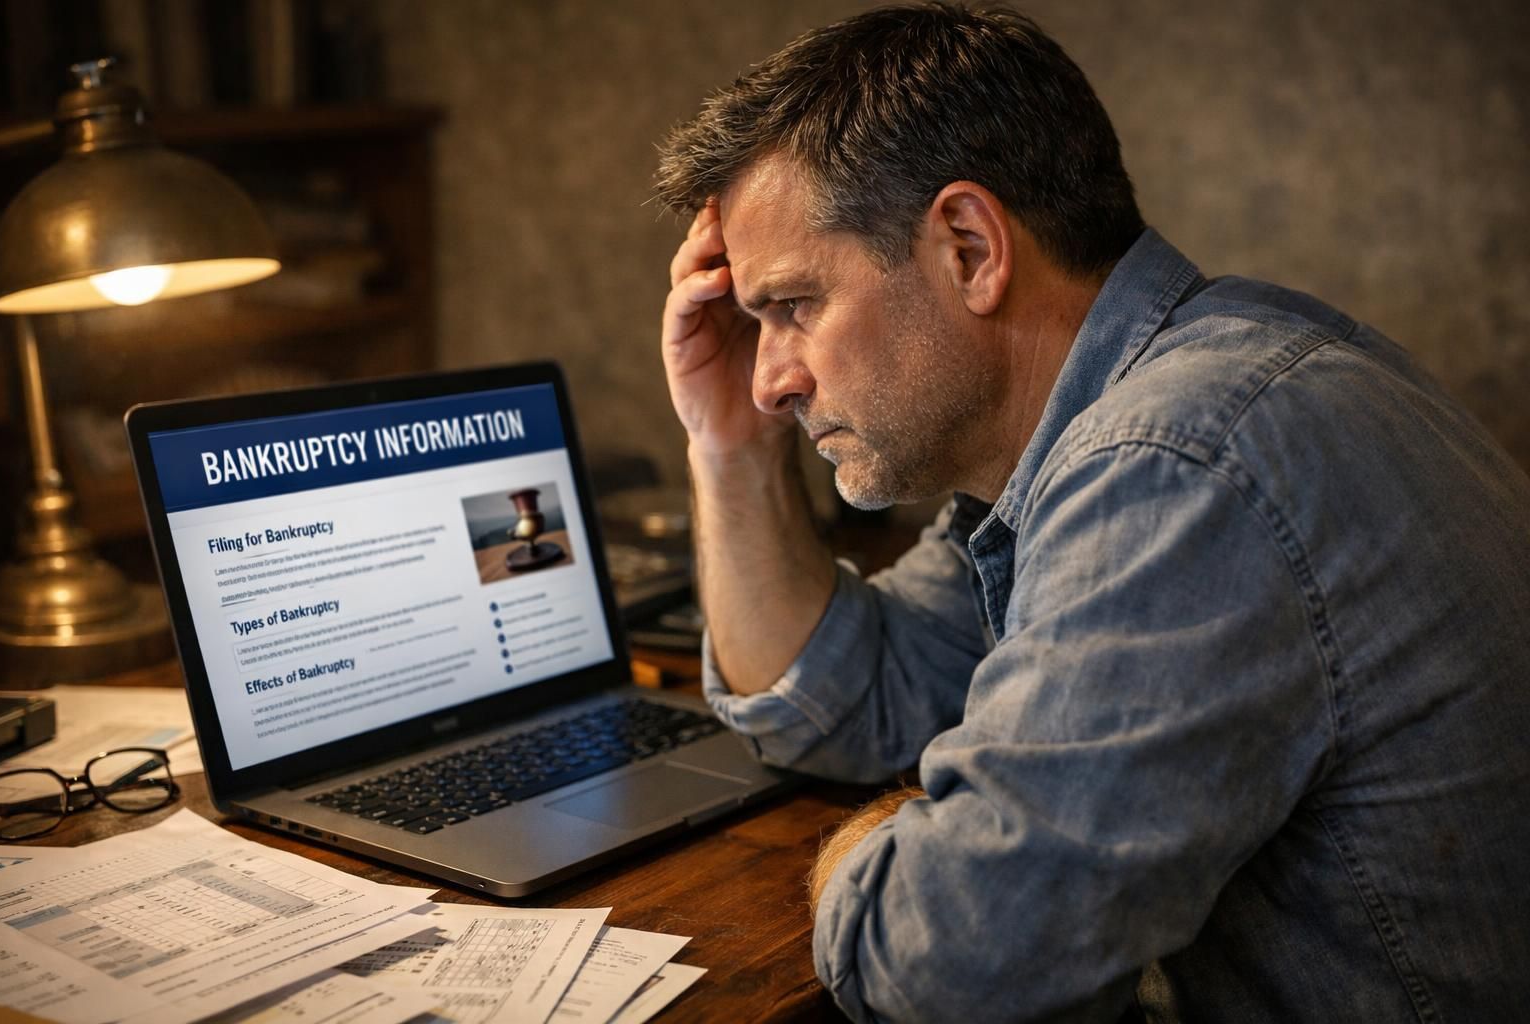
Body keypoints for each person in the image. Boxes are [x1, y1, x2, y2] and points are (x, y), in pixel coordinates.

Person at [653, 4, 1530, 1021]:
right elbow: (850, 698)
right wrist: (729, 451)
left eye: (794, 307)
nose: (770, 380)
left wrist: (868, 840)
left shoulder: (1176, 466)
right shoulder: (1161, 405)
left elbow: (952, 967)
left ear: (971, 248)